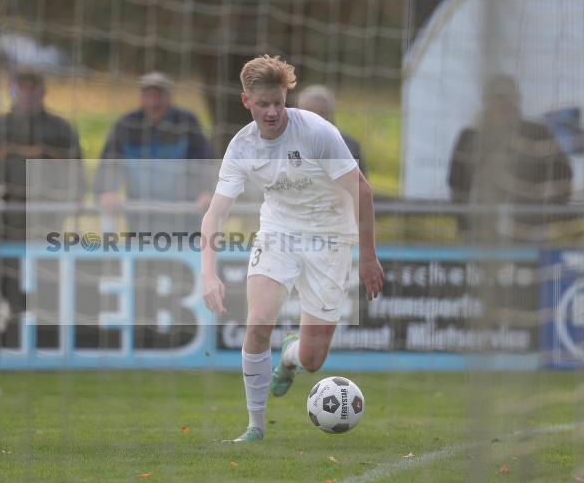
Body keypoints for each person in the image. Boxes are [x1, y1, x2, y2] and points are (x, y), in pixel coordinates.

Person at [200, 55, 384, 442]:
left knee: (314, 361)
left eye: (279, 103)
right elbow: (216, 214)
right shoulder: (241, 147)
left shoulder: (317, 132)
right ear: (246, 100)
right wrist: (208, 273)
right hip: (279, 232)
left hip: (331, 237)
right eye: (263, 104)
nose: (272, 113)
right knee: (258, 321)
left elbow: (362, 190)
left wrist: (368, 256)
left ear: (287, 98)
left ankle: (290, 357)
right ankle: (255, 426)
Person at [447, 75, 573, 240]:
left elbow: (563, 178)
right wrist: (467, 226)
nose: (503, 104)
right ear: (485, 101)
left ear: (518, 100)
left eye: (508, 98)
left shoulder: (538, 134)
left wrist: (543, 223)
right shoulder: (469, 138)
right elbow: (457, 187)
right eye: (497, 98)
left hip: (530, 234)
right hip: (483, 235)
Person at [94, 72, 215, 236]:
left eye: (159, 96)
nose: (154, 102)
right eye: (149, 96)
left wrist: (207, 191)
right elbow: (109, 163)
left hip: (184, 218)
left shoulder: (187, 122)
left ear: (169, 97)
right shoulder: (126, 125)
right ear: (141, 98)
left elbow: (205, 160)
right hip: (140, 220)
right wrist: (107, 191)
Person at [0, 67, 86, 240]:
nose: (28, 94)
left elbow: (76, 168)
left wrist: (76, 195)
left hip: (47, 215)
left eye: (33, 88)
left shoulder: (61, 128)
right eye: (22, 88)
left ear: (43, 91)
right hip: (3, 216)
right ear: (12, 90)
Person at [297, 85, 368, 179]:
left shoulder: (350, 148)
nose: (314, 119)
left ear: (330, 115)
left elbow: (358, 189)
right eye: (309, 113)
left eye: (320, 114)